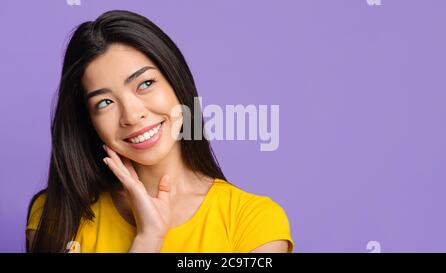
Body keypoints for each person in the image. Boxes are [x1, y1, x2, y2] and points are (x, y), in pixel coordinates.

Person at [26, 10, 294, 253]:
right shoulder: (57, 215)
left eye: (145, 84)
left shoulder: (254, 223)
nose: (132, 115)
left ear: (176, 83)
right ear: (89, 121)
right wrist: (147, 239)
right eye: (104, 102)